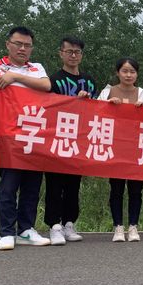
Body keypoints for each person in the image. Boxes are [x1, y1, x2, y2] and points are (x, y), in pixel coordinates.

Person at [0, 26, 53, 250]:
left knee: (32, 185)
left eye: (27, 45)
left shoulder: (36, 68)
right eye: (18, 44)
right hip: (8, 135)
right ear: (8, 44)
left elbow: (46, 86)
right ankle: (7, 231)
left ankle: (26, 229)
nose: (22, 48)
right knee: (9, 184)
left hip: (33, 134)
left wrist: (15, 76)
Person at [45, 36, 97, 246]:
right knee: (54, 184)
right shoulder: (53, 80)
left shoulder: (89, 81)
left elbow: (96, 110)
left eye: (77, 52)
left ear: (82, 55)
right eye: (69, 51)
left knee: (73, 185)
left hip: (79, 140)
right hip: (57, 138)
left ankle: (69, 223)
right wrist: (73, 102)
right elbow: (48, 107)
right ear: (61, 53)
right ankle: (54, 225)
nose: (73, 55)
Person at [97, 57, 143, 242]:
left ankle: (133, 226)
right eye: (125, 71)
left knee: (136, 190)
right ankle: (118, 227)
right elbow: (95, 113)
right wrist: (108, 105)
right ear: (117, 72)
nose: (128, 75)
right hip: (115, 148)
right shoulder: (108, 92)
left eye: (132, 71)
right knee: (116, 189)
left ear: (137, 74)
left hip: (136, 148)